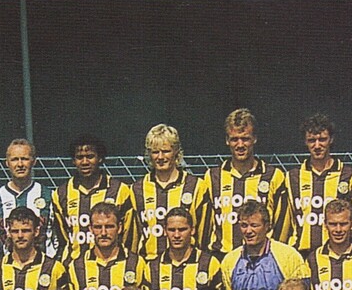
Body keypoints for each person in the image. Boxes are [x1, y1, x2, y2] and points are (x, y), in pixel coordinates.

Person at [197, 108, 291, 256]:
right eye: (234, 139)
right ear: (227, 140)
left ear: (254, 139)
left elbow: (281, 226)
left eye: (245, 138)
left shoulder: (274, 176)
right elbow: (204, 227)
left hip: (264, 258)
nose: (240, 145)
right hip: (222, 256)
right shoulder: (212, 177)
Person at [220, 200, 308, 290]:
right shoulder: (229, 261)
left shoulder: (289, 256)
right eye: (244, 225)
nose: (248, 231)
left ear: (267, 226)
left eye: (254, 225)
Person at [66, 202, 150, 290]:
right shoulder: (77, 266)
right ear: (90, 229)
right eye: (98, 227)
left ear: (119, 228)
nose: (103, 233)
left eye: (109, 226)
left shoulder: (136, 263)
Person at [286, 114, 352, 257]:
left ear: (331, 140)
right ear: (305, 142)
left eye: (322, 139)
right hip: (303, 255)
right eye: (312, 140)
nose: (317, 145)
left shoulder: (350, 176)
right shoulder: (292, 177)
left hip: (338, 255)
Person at [51, 134, 135, 262]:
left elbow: (128, 236)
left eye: (90, 156)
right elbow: (62, 239)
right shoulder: (61, 194)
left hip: (113, 265)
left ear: (100, 158)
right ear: (73, 161)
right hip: (74, 269)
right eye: (79, 157)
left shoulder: (120, 191)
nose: (85, 162)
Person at [148, 206, 223, 290]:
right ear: (164, 231)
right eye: (172, 230)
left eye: (182, 229)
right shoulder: (152, 268)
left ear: (192, 230)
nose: (177, 235)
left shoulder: (209, 264)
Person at [131, 124, 205, 260]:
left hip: (187, 264)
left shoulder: (196, 186)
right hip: (149, 264)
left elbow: (203, 233)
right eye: (154, 152)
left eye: (165, 151)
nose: (160, 157)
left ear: (176, 151)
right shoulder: (137, 189)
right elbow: (134, 235)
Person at [0, 138, 56, 262]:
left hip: (44, 272)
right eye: (15, 159)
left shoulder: (50, 196)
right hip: (7, 273)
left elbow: (56, 239)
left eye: (25, 159)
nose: (20, 164)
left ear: (33, 161)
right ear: (7, 163)